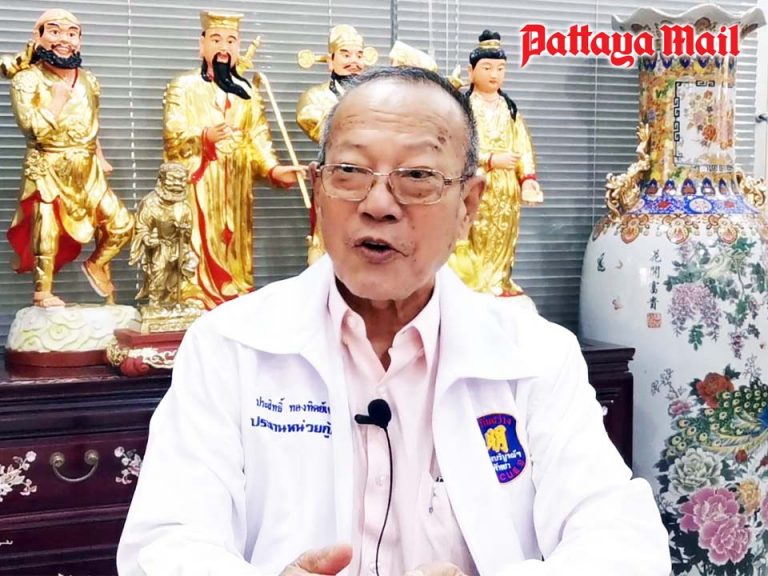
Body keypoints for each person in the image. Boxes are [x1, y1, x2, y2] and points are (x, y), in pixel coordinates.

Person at [117, 67, 670, 576]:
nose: (378, 204)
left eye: (418, 176)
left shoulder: (536, 356)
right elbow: (165, 541)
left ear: (469, 205)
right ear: (318, 191)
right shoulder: (229, 344)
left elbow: (623, 545)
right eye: (350, 172)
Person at [163, 11, 304, 309]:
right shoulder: (184, 87)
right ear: (202, 45)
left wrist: (274, 170)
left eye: (231, 41)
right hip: (199, 181)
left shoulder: (248, 93)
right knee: (198, 240)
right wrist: (204, 136)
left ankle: (234, 293)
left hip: (237, 184)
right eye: (216, 40)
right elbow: (173, 134)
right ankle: (193, 292)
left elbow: (258, 140)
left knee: (234, 241)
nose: (223, 48)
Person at [4, 9, 134, 307]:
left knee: (122, 223)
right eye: (55, 31)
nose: (64, 40)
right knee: (46, 229)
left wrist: (99, 155)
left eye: (72, 34)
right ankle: (42, 292)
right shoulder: (27, 80)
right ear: (38, 36)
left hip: (87, 168)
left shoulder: (89, 80)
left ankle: (96, 263)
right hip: (48, 165)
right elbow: (32, 127)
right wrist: (57, 101)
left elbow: (92, 122)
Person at [448, 30, 542, 297]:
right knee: (476, 231)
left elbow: (522, 145)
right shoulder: (465, 108)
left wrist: (528, 179)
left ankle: (500, 279)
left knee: (505, 233)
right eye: (487, 67)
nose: (494, 74)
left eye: (500, 69)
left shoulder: (509, 109)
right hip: (478, 182)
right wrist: (489, 160)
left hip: (506, 185)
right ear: (471, 71)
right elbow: (458, 146)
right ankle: (475, 281)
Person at [296, 24, 373, 264]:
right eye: (346, 55)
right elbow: (317, 127)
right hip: (335, 177)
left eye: (359, 55)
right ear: (330, 61)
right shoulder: (314, 98)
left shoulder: (377, 98)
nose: (354, 62)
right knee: (330, 238)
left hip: (372, 179)